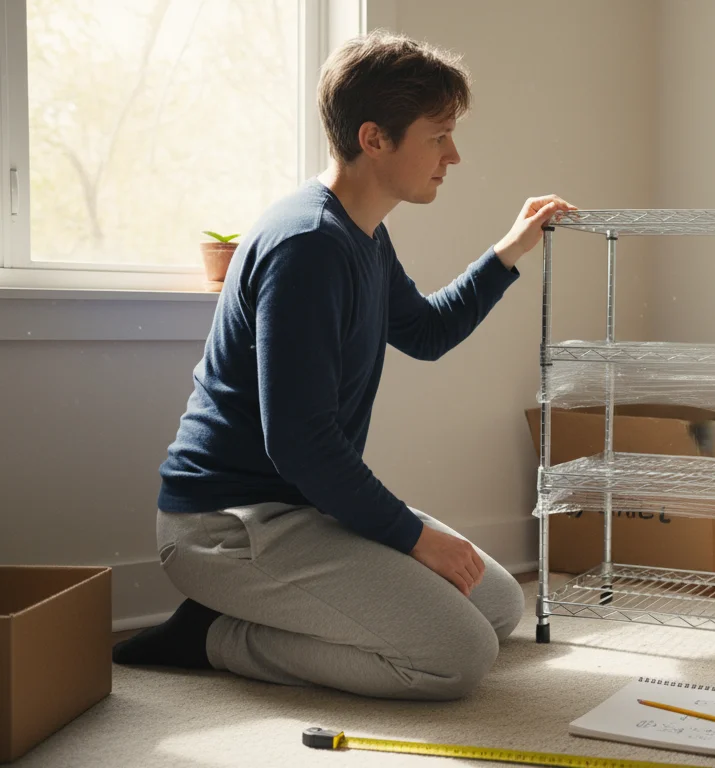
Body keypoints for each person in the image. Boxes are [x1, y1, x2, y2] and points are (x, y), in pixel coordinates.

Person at [112, 30, 574, 701]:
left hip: (304, 506)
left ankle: (273, 614)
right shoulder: (308, 246)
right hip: (227, 528)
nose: (453, 155)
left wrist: (509, 251)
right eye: (439, 136)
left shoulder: (362, 234)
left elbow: (425, 332)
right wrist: (414, 538)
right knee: (456, 656)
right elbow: (300, 442)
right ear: (374, 138)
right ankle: (212, 636)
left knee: (497, 605)